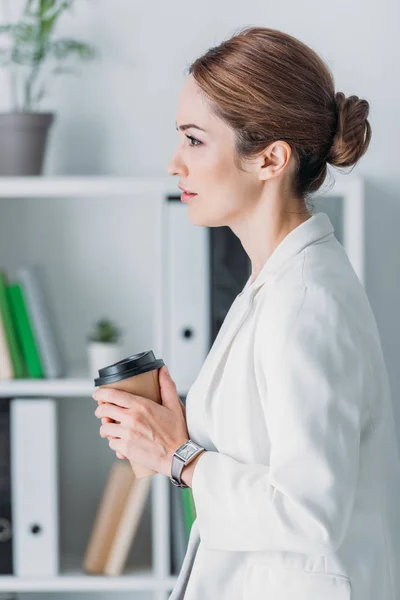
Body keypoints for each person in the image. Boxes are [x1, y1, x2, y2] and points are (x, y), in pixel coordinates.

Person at [93, 26, 400, 600]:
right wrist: (171, 439)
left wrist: (180, 457)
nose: (174, 164)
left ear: (270, 159)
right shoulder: (273, 282)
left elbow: (309, 514)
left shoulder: (305, 302)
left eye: (194, 140)